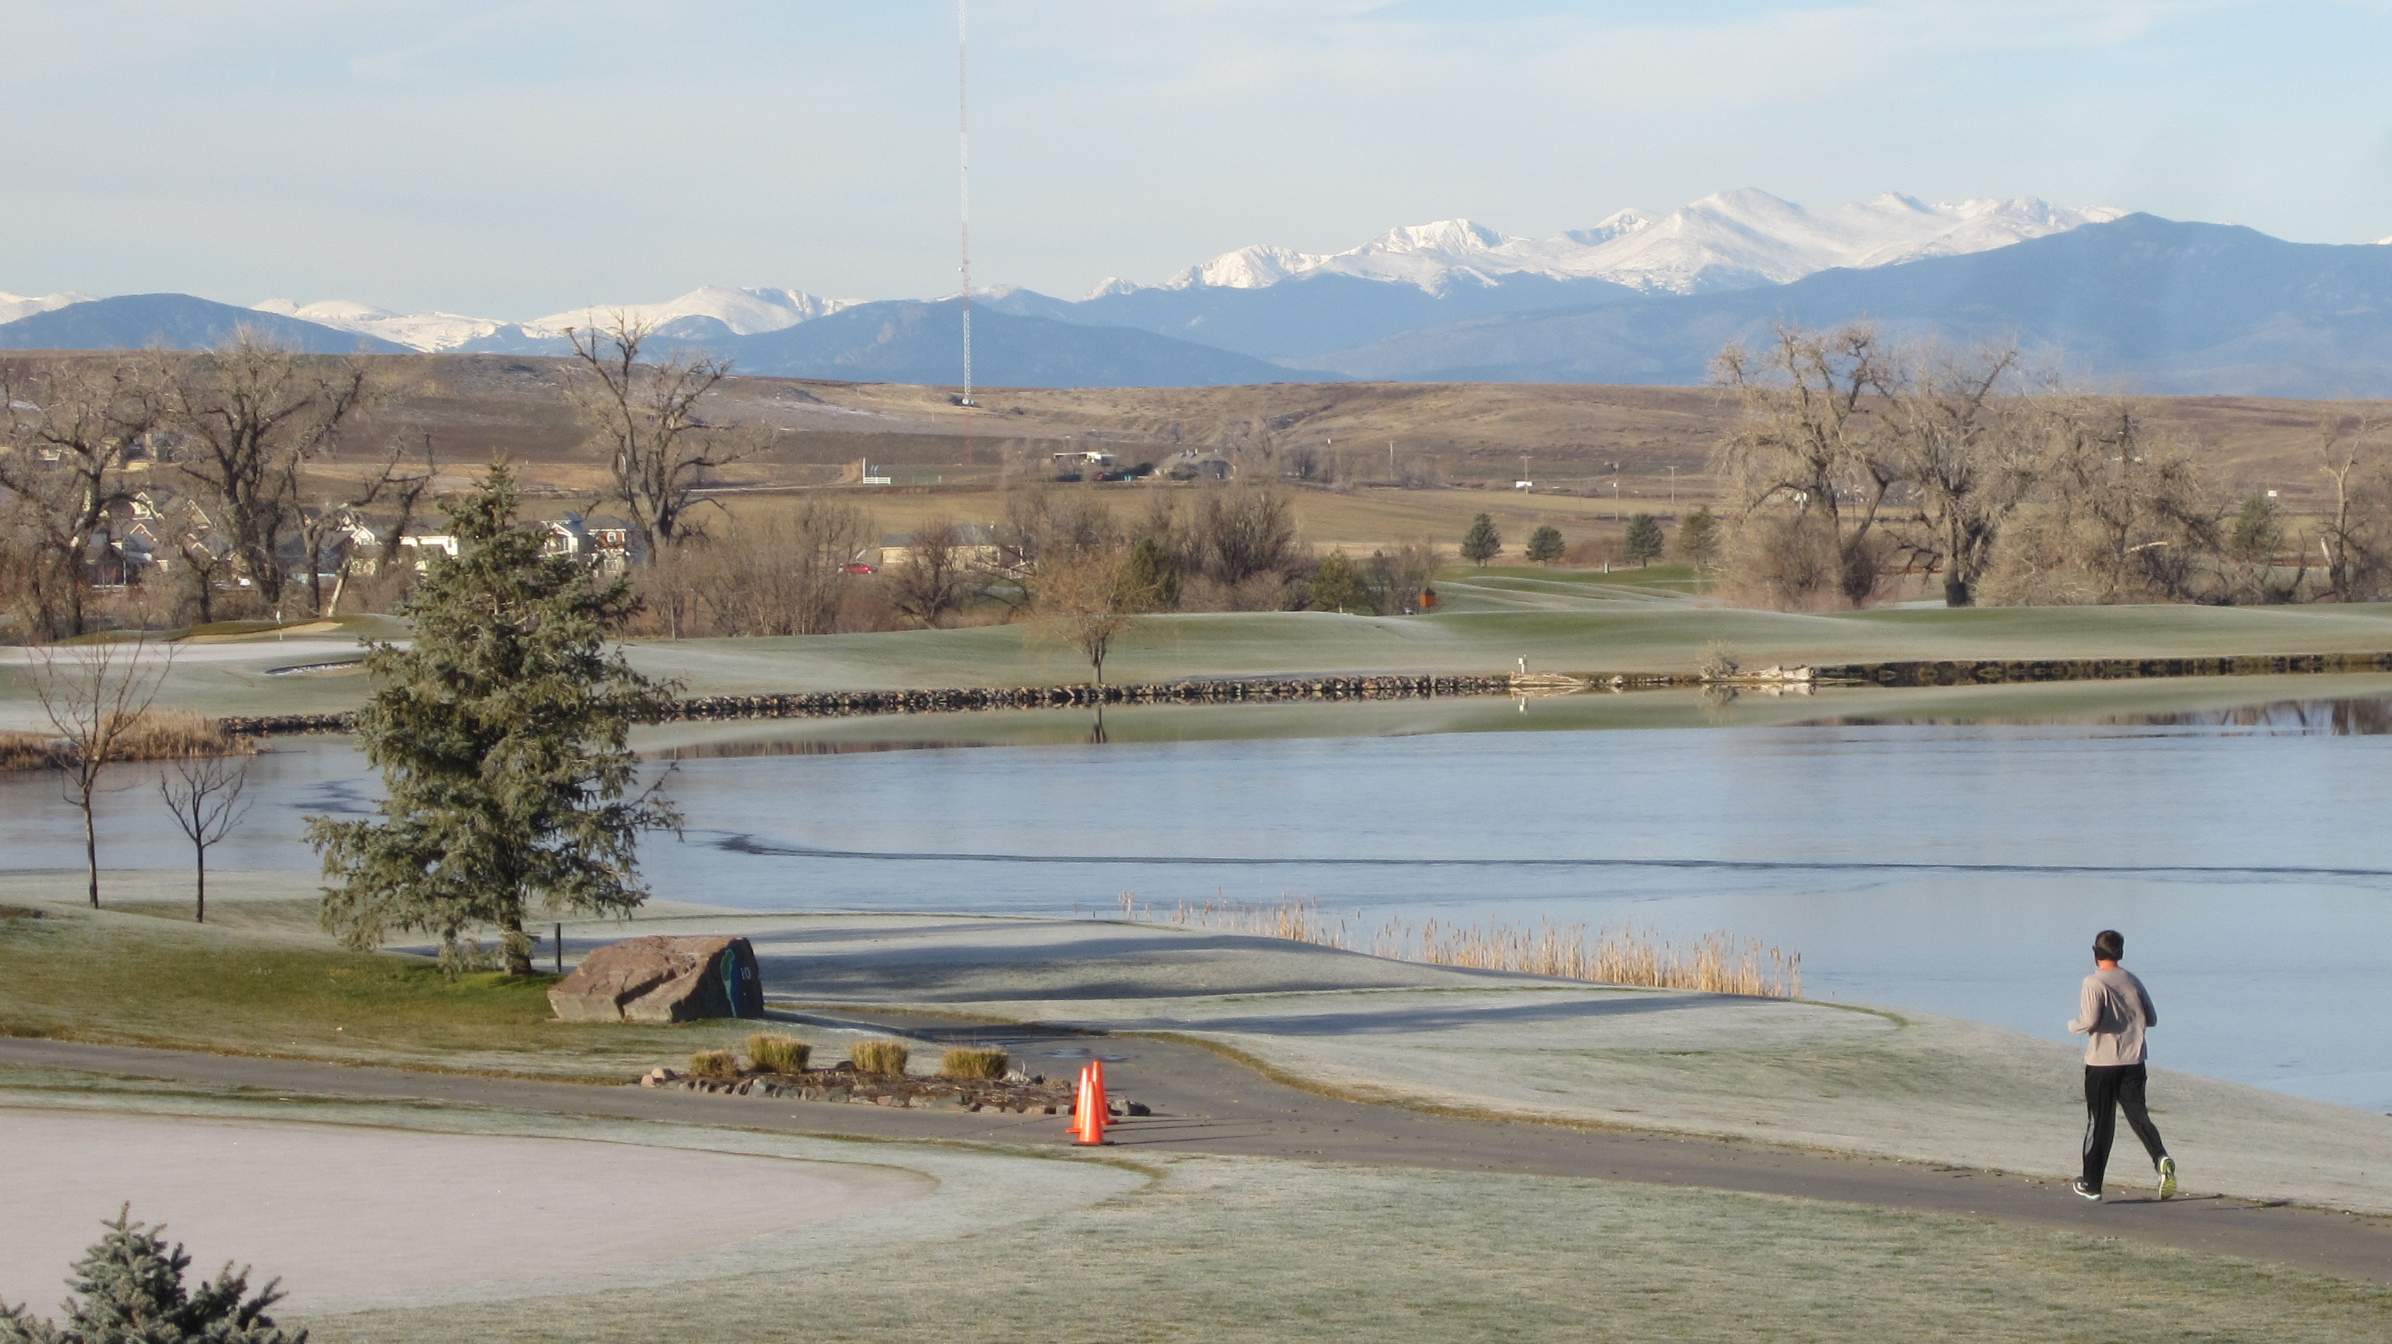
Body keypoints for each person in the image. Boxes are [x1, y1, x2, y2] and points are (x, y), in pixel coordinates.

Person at [2066, 928, 2177, 1202]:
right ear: (2120, 953)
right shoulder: (2132, 980)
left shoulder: (2093, 982)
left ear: (2095, 953)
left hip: (2103, 1063)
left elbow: (2090, 1020)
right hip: (2134, 1061)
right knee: (2138, 1114)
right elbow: (2151, 1018)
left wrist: (2073, 1026)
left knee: (2099, 1122)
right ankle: (2160, 1157)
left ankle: (2092, 1183)